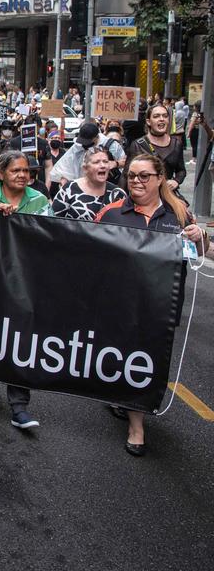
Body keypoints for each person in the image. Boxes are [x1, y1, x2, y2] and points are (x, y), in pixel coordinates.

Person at [96, 153, 207, 456]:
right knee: (123, 359)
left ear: (160, 178)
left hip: (161, 305)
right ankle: (132, 416)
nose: (137, 181)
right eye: (132, 175)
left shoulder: (179, 213)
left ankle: (135, 421)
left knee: (148, 362)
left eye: (145, 176)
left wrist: (200, 235)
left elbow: (200, 250)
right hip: (120, 305)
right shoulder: (111, 213)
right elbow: (87, 251)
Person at [0, 150, 50, 430]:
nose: (22, 176)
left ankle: (19, 406)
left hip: (26, 282)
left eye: (26, 171)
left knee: (21, 339)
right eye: (15, 170)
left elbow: (49, 237)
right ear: (1, 173)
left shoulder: (39, 200)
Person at [51, 146, 127, 221]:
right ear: (85, 168)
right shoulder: (69, 189)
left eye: (105, 162)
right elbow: (53, 220)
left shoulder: (117, 193)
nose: (102, 166)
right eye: (96, 162)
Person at [127, 105, 187, 191]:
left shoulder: (176, 144)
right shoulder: (137, 145)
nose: (161, 119)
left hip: (166, 195)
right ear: (148, 121)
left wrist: (176, 181)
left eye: (165, 116)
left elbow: (181, 170)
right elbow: (126, 175)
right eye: (156, 116)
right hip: (143, 195)